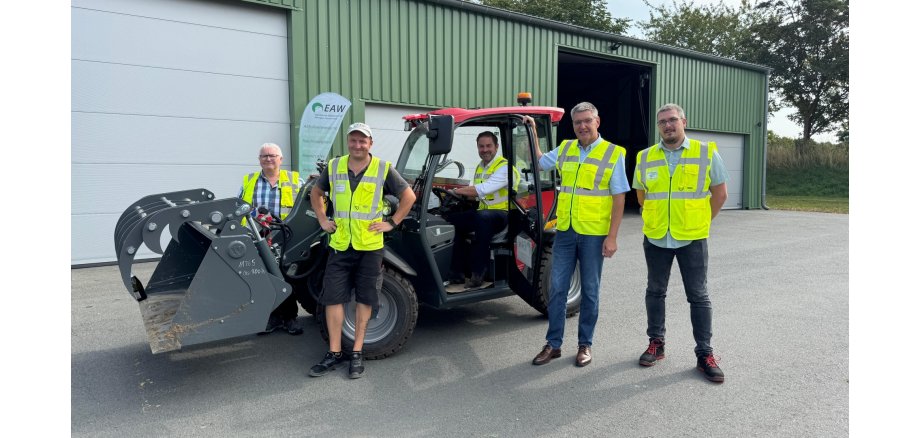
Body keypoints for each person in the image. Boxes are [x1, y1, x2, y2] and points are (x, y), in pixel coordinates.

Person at [308, 122, 416, 379]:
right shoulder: (334, 167)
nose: (358, 145)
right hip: (341, 244)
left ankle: (356, 352)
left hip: (369, 246)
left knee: (366, 298)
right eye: (354, 140)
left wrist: (392, 222)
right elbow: (316, 192)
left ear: (370, 143)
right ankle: (334, 352)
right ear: (348, 142)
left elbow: (409, 197)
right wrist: (323, 220)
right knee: (333, 298)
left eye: (362, 141)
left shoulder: (383, 168)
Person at [527, 103, 629, 367]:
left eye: (587, 121)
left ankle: (585, 344)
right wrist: (533, 131)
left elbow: (619, 198)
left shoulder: (613, 153)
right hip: (566, 231)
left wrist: (613, 237)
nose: (582, 126)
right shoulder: (566, 148)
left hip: (594, 234)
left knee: (591, 291)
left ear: (598, 121)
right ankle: (554, 344)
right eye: (577, 122)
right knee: (558, 288)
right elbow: (539, 163)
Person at [633, 103, 729, 383]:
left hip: (692, 238)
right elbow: (641, 196)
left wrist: (700, 221)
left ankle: (704, 354)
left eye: (672, 120)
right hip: (656, 236)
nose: (667, 125)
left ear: (683, 121)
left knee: (698, 295)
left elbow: (720, 194)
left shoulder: (706, 152)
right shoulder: (646, 156)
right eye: (662, 122)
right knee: (655, 291)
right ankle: (656, 344)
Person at [239, 142, 305, 336]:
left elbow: (305, 203)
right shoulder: (249, 181)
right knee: (264, 278)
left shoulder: (294, 180)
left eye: (272, 155)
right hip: (258, 236)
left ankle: (290, 318)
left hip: (285, 237)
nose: (268, 159)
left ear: (280, 159)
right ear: (259, 160)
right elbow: (240, 206)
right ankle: (272, 317)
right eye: (264, 156)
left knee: (286, 277)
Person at [444, 131, 521, 288]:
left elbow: (483, 189)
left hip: (503, 215)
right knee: (450, 220)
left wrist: (457, 191)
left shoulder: (504, 167)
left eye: (488, 146)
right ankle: (456, 273)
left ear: (496, 147)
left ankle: (479, 273)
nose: (485, 150)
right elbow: (478, 196)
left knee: (482, 218)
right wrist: (455, 198)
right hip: (484, 212)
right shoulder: (481, 167)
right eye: (481, 146)